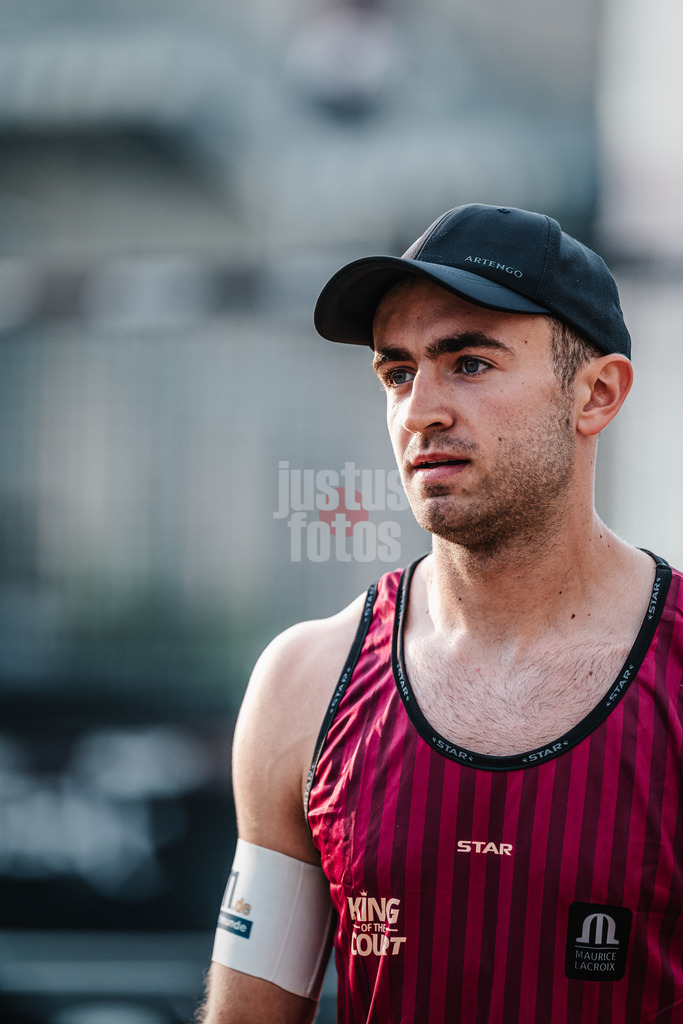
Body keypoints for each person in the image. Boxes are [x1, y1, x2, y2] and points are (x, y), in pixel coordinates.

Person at [199, 204, 683, 1024]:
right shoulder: (306, 680)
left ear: (595, 393)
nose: (419, 409)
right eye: (396, 373)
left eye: (467, 363)